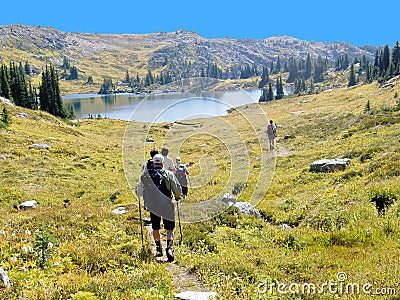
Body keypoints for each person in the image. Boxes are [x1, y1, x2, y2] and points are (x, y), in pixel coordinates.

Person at [141, 154, 181, 262]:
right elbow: (177, 189)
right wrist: (177, 197)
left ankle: (159, 249)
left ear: (153, 163)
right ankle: (169, 248)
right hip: (167, 205)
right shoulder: (168, 174)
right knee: (169, 228)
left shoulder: (148, 175)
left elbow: (140, 190)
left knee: (155, 227)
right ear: (163, 163)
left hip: (154, 206)